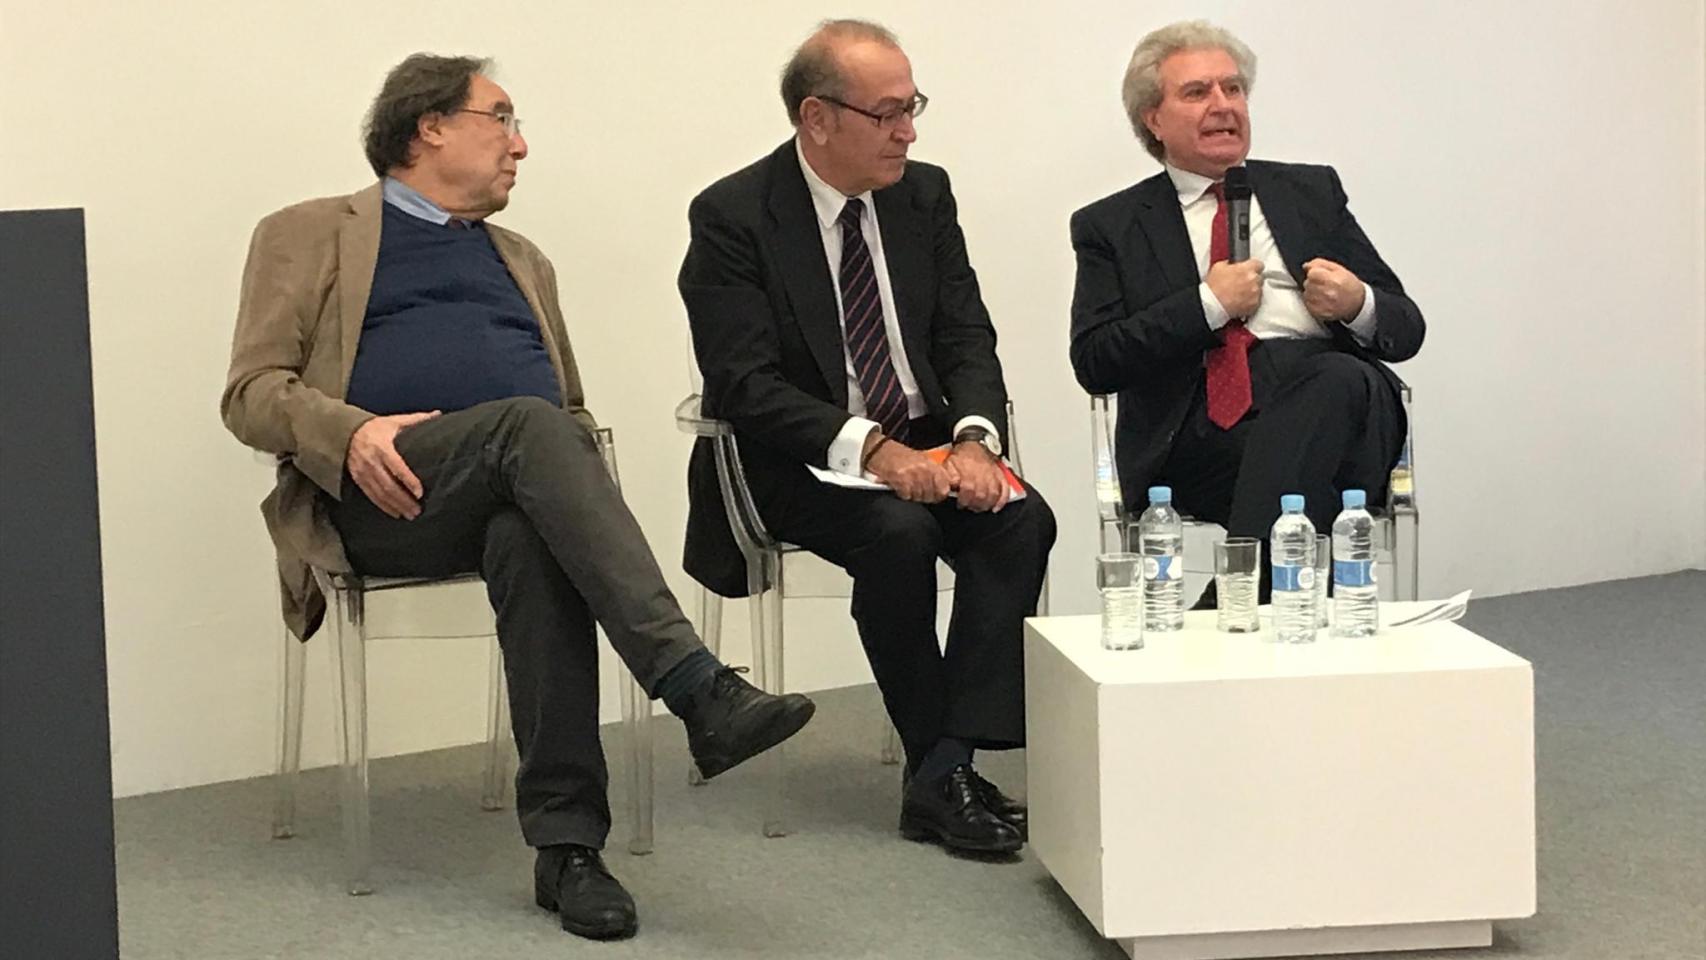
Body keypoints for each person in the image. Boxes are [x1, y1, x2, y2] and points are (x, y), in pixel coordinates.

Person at [221, 54, 816, 941]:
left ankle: (568, 850)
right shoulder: (308, 232)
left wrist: (552, 445)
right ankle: (695, 687)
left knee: (534, 518)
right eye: (501, 119)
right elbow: (250, 394)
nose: (520, 145)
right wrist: (350, 431)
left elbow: (568, 409)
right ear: (429, 127)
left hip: (506, 484)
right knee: (531, 427)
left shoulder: (523, 259)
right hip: (378, 500)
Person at [678, 20, 1055, 858]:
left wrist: (974, 443)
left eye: (912, 107)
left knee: (1021, 519)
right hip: (793, 456)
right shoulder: (734, 215)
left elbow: (965, 336)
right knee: (898, 531)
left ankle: (945, 764)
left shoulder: (924, 195)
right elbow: (745, 386)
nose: (908, 131)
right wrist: (874, 451)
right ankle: (941, 768)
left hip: (925, 439)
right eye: (887, 113)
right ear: (817, 118)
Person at [1069, 20, 1423, 599]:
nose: (1223, 105)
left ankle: (1229, 600)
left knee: (1333, 380)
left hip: (1339, 401)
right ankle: (1275, 600)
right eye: (1197, 92)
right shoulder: (1111, 225)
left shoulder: (1310, 193)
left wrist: (1357, 303)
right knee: (1308, 482)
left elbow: (1406, 329)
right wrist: (1208, 305)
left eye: (1233, 90)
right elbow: (1095, 360)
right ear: (1152, 120)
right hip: (1206, 435)